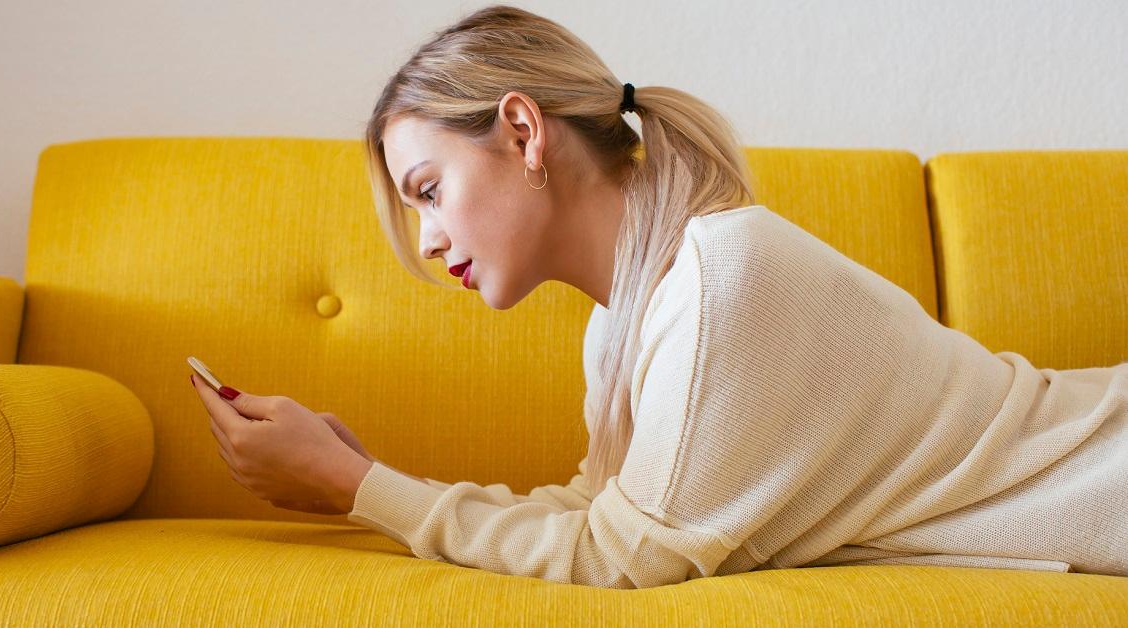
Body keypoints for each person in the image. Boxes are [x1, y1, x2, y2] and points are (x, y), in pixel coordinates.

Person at [290, 4, 1128, 588]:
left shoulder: (720, 273)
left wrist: (356, 488)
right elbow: (600, 511)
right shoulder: (626, 315)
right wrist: (370, 476)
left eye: (429, 190)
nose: (430, 242)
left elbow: (619, 558)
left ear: (522, 132)